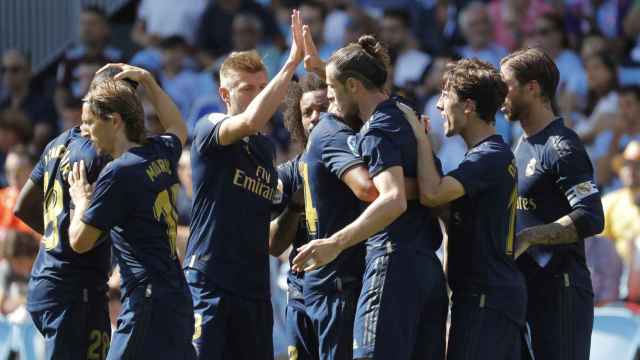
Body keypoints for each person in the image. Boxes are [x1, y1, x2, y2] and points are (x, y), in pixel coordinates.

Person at [293, 35, 447, 360]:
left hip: (392, 262)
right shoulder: (406, 114)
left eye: (332, 91)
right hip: (429, 268)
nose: (329, 103)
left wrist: (335, 242)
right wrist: (323, 67)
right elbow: (433, 190)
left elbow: (390, 198)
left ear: (352, 86)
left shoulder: (376, 129)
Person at [182, 10, 304, 359]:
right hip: (210, 280)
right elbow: (250, 119)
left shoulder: (265, 149)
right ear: (224, 93)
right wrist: (291, 63)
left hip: (254, 287)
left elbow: (269, 224)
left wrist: (295, 203)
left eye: (262, 88)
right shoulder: (210, 127)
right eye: (247, 88)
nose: (256, 95)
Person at [401, 59, 526, 359]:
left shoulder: (490, 156)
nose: (440, 106)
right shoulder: (484, 157)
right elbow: (447, 214)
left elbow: (432, 194)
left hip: (487, 298)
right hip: (481, 297)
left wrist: (420, 136)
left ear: (468, 106)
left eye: (446, 96)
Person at [67, 63, 193, 359]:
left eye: (90, 122)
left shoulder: (118, 173)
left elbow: (80, 241)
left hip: (147, 302)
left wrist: (81, 199)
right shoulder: (158, 150)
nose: (86, 131)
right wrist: (148, 80)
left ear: (115, 121)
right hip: (176, 295)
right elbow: (178, 127)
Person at [500, 47, 604, 360]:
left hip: (561, 289)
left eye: (505, 86)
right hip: (525, 289)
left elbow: (591, 216)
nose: (499, 95)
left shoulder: (561, 145)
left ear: (532, 88)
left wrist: (530, 237)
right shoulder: (519, 146)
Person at [12, 70, 116, 359]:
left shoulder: (58, 142)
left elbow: (21, 206)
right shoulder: (100, 155)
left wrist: (53, 234)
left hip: (45, 281)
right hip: (75, 289)